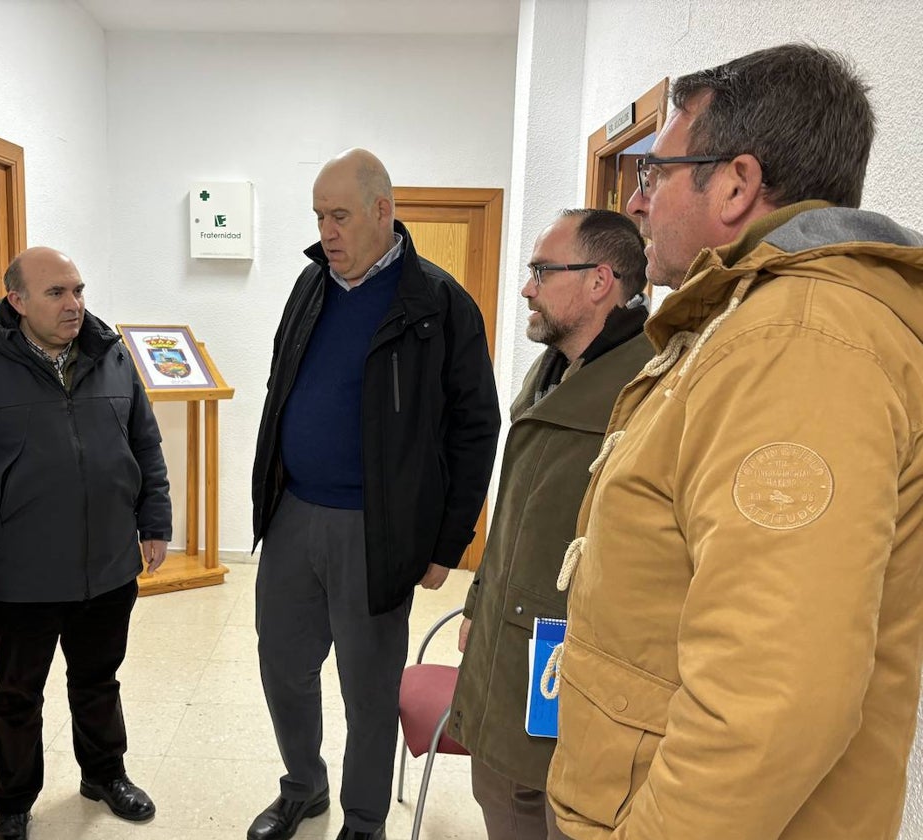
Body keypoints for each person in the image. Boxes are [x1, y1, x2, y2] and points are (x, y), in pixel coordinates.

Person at [546, 44, 923, 840]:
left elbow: (771, 704)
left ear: (736, 183)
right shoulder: (750, 322)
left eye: (655, 174)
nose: (638, 204)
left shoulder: (802, 343)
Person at [250, 148, 501, 840]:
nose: (326, 232)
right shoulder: (311, 286)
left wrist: (447, 543)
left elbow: (477, 427)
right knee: (283, 664)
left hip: (377, 529)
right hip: (294, 512)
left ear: (382, 212)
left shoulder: (438, 302)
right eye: (318, 217)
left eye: (339, 216)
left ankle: (363, 820)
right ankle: (303, 786)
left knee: (368, 688)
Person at [0, 247, 172, 840]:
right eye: (57, 293)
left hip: (108, 565)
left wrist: (154, 521)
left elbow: (146, 445)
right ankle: (12, 803)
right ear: (17, 301)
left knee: (99, 680)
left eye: (79, 290)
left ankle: (104, 775)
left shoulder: (112, 357)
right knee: (18, 693)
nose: (75, 304)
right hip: (19, 574)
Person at [447, 209, 650, 840]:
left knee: (561, 813)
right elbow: (515, 511)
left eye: (541, 270)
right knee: (501, 790)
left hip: (575, 656)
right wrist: (477, 601)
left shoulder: (646, 385)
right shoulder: (555, 368)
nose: (527, 287)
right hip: (510, 640)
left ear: (599, 281)